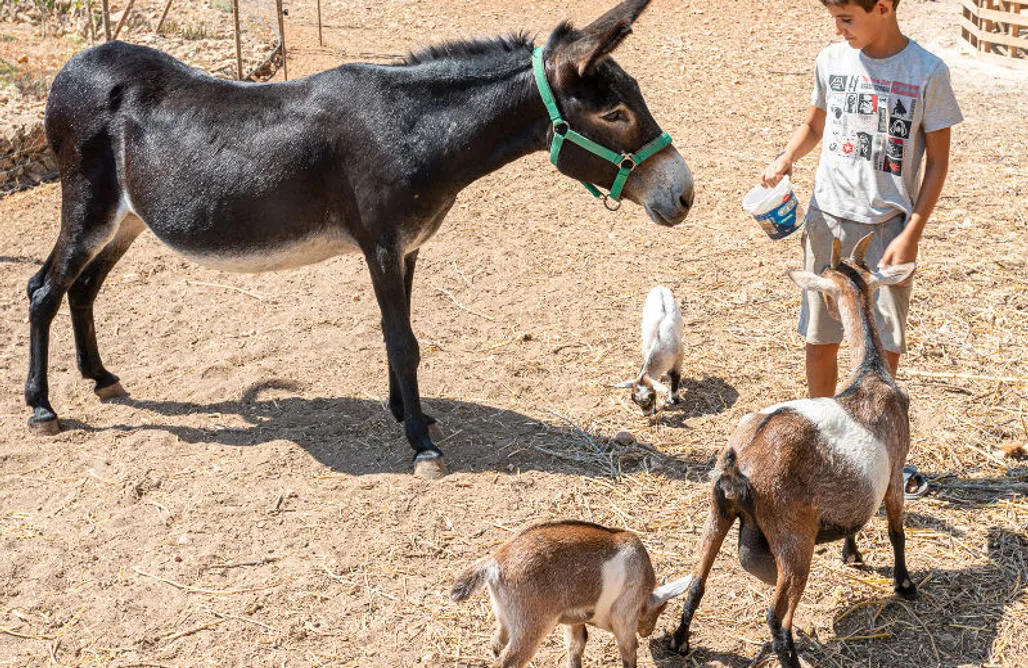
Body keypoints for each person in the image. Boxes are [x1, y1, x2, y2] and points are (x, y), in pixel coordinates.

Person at [763, 0, 962, 402]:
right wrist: (787, 156)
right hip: (827, 221)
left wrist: (912, 233)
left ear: (884, 8)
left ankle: (875, 443)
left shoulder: (928, 72)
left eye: (847, 19)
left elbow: (938, 163)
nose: (838, 29)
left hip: (888, 230)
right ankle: (822, 430)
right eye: (834, 19)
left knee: (882, 343)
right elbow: (813, 125)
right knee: (821, 335)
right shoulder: (832, 60)